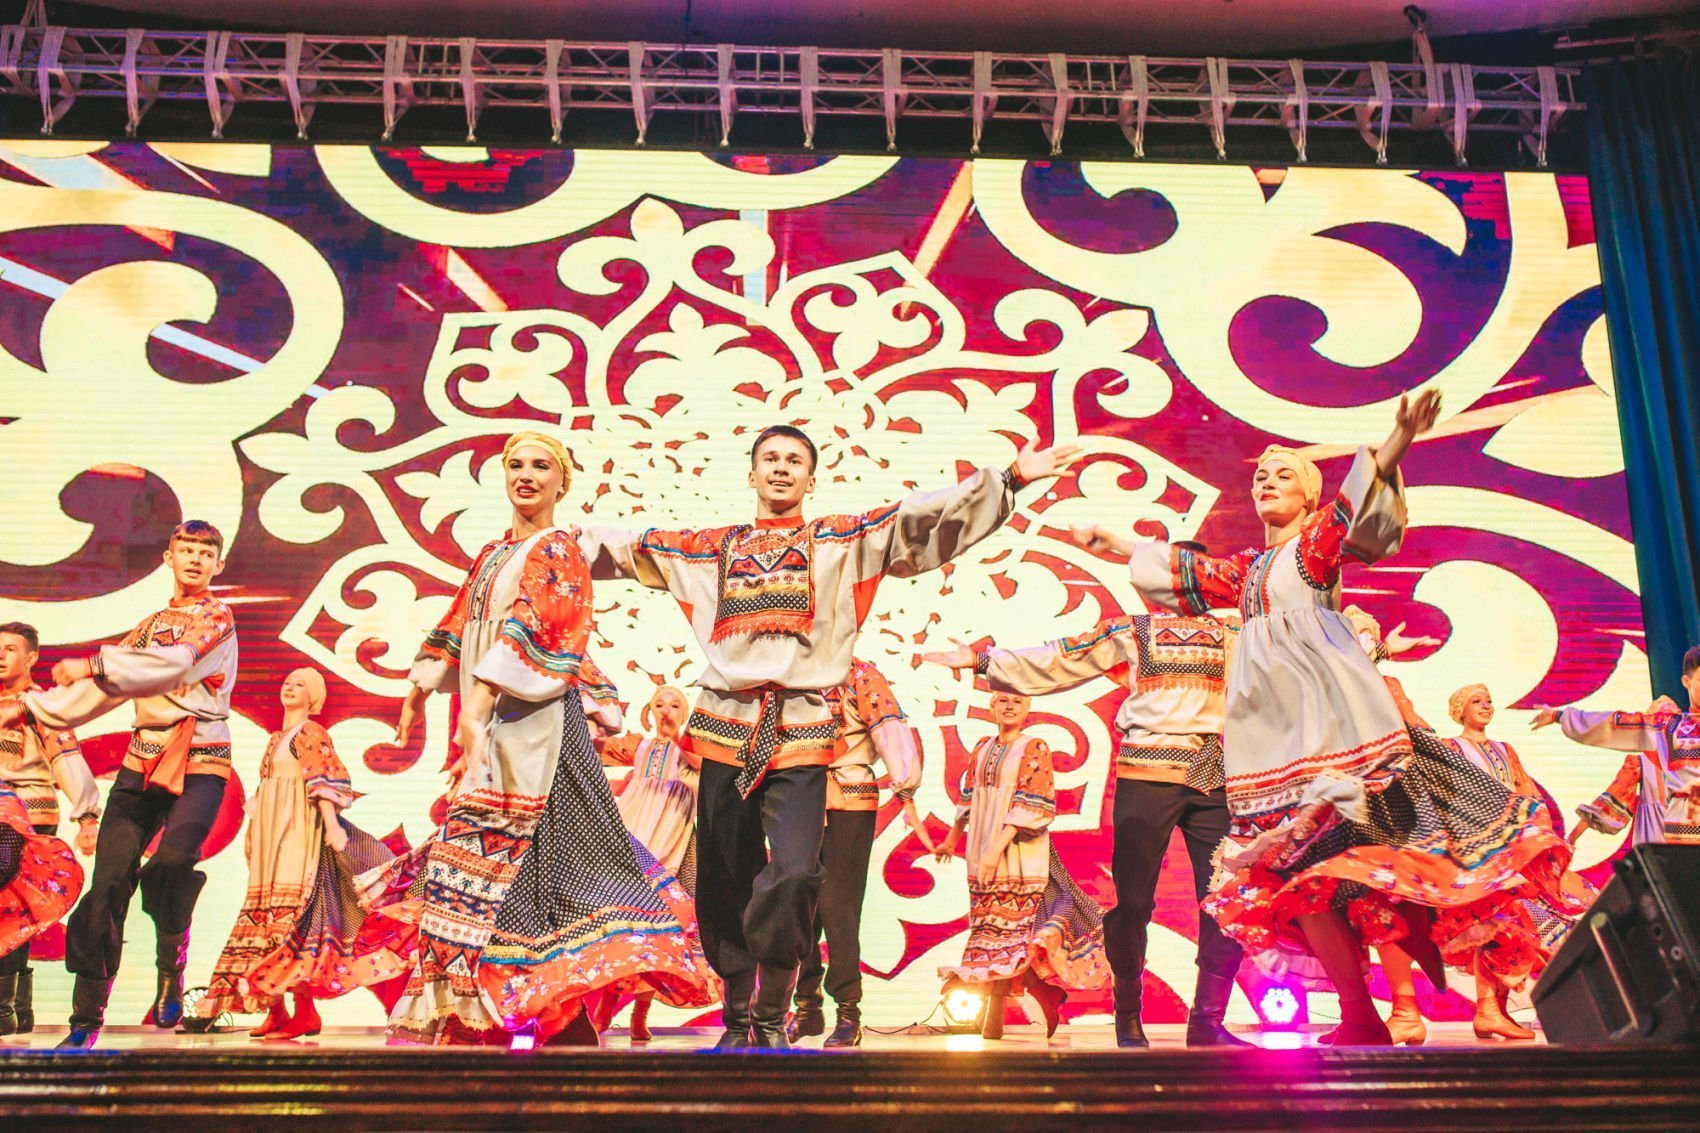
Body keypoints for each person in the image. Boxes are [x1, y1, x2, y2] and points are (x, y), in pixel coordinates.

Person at [1073, 391, 1576, 1046]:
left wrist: (1397, 440)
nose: (1266, 481)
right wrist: (1119, 542)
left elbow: (1349, 512)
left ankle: (1413, 967)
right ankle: (1361, 1014)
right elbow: (1191, 572)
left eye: (1283, 474)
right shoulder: (1249, 571)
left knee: (1357, 855)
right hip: (1274, 746)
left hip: (1328, 735)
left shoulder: (1310, 548)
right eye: (1260, 475)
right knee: (1295, 884)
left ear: (1307, 496)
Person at [578, 425, 1080, 1048]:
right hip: (724, 729)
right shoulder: (709, 549)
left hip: (802, 733)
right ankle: (739, 1017)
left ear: (811, 479)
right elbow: (621, 547)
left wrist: (1010, 479)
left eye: (794, 460)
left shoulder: (840, 542)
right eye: (769, 459)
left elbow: (920, 518)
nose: (780, 468)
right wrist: (540, 540)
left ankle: (773, 1012)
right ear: (752, 474)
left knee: (794, 873)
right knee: (724, 880)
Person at [368, 431, 710, 1046]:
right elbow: (461, 620)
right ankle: (525, 1014)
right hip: (497, 725)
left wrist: (476, 707)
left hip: (539, 725)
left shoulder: (558, 548)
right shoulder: (495, 552)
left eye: (541, 466)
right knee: (497, 868)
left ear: (562, 482)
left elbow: (538, 628)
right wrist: (419, 689)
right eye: (516, 465)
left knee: (536, 863)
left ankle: (541, 1013)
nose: (526, 475)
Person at [921, 595, 1249, 1050]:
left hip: (1211, 774)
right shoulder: (1135, 631)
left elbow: (1286, 664)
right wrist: (983, 660)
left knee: (1225, 900)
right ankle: (1128, 1014)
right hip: (1147, 772)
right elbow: (1065, 656)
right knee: (1134, 904)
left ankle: (1208, 1021)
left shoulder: (1233, 633)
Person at [1, 520, 239, 1049]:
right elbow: (106, 689)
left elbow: (169, 667)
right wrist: (36, 708)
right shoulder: (149, 626)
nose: (195, 559)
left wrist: (95, 661)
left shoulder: (216, 617)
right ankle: (85, 1020)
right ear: (168, 558)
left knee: (172, 862)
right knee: (108, 883)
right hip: (141, 761)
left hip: (200, 758)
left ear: (218, 565)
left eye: (205, 553)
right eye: (186, 550)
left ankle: (171, 962)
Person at [187, 668, 411, 1039]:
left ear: (314, 696)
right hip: (271, 836)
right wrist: (254, 834)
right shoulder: (276, 739)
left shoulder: (310, 732)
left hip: (298, 832)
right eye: (287, 681)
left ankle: (305, 1013)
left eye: (300, 684)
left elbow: (322, 778)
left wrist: (333, 826)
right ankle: (276, 1011)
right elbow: (265, 788)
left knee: (291, 917)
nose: (290, 686)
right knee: (264, 916)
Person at [935, 691, 1109, 1040]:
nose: (1010, 706)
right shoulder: (983, 747)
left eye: (1017, 701)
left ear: (1028, 708)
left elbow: (1032, 804)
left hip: (1019, 851)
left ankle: (998, 1016)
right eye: (1002, 700)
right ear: (991, 706)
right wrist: (952, 840)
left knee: (1012, 935)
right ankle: (1037, 995)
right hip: (982, 849)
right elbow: (968, 798)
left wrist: (995, 850)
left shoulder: (1034, 747)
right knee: (991, 934)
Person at [788, 657, 931, 1048]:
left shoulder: (860, 676)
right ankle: (806, 1006)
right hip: (800, 799)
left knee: (838, 906)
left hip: (849, 799)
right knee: (798, 903)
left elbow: (889, 728)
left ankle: (848, 1012)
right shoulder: (793, 670)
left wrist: (905, 789)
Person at [1439, 683, 1592, 1041]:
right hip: (1475, 848)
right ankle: (1488, 1010)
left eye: (1489, 700)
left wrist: (1542, 837)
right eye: (1477, 701)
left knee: (1513, 924)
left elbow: (1526, 794)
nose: (1486, 706)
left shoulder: (1505, 750)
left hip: (1511, 848)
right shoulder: (1451, 748)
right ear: (1460, 709)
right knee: (1492, 919)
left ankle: (1495, 1009)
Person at [0, 621, 99, 1034]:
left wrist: (87, 815)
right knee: (10, 909)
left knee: (10, 906)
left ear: (32, 658)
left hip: (28, 815)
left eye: (10, 648)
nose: (1, 655)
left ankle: (4, 1008)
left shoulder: (39, 706)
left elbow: (65, 756)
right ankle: (17, 1009)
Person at [597, 684, 701, 1043]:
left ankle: (640, 1012)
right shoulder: (639, 746)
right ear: (649, 711)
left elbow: (704, 775)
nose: (666, 711)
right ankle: (605, 1005)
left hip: (672, 837)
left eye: (674, 705)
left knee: (661, 932)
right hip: (636, 832)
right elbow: (598, 750)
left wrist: (681, 740)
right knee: (619, 926)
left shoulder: (691, 750)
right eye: (659, 704)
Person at [1532, 644, 1700, 847]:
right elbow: (1615, 723)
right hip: (1685, 832)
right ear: (1687, 681)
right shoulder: (1667, 726)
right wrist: (1560, 715)